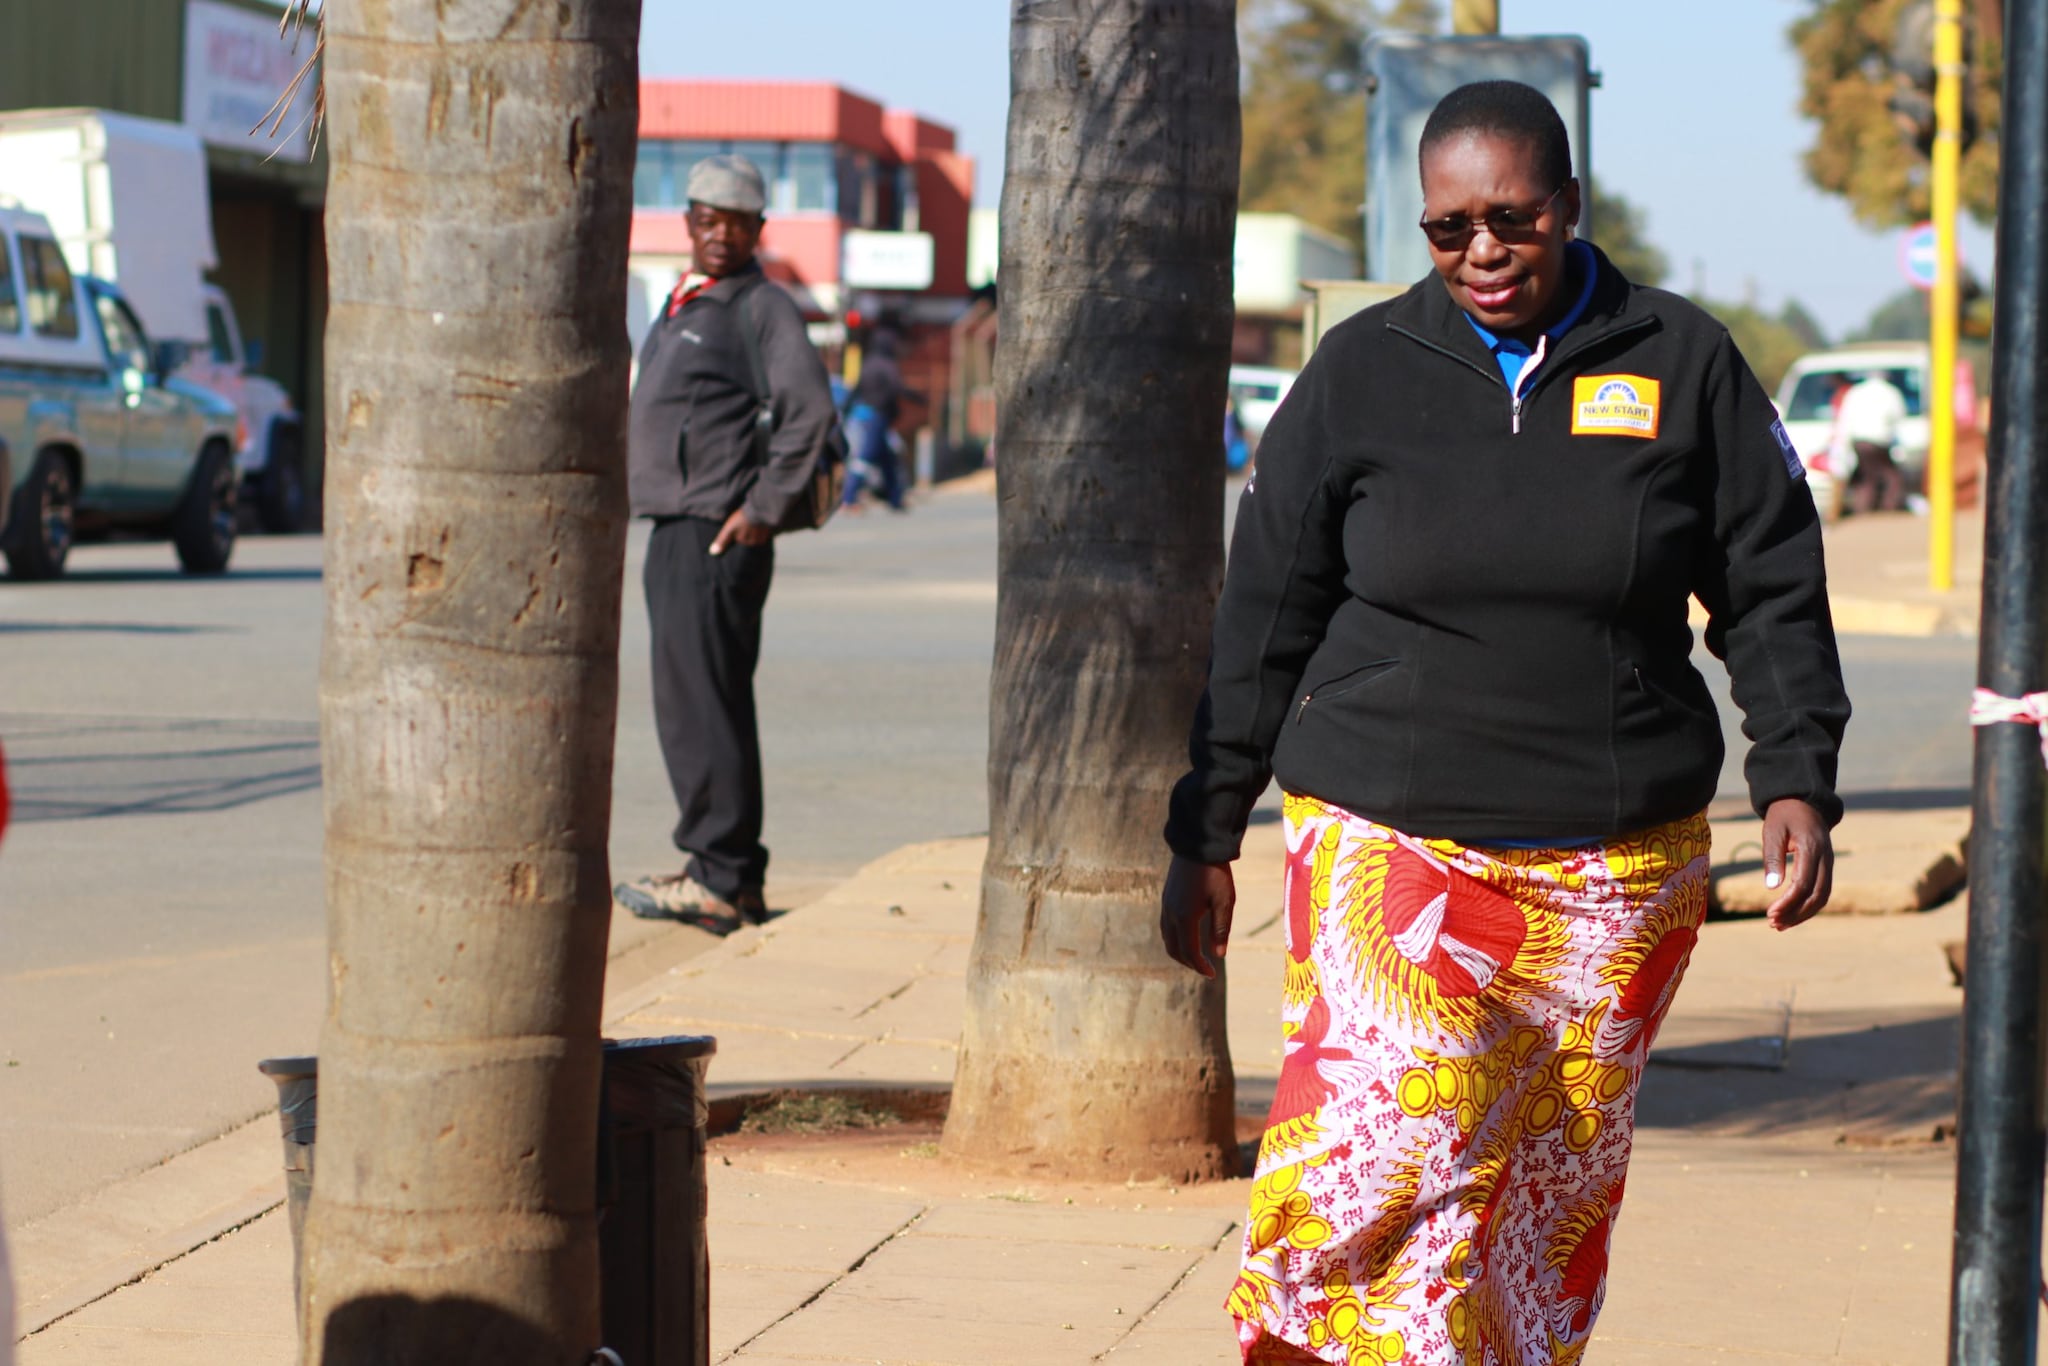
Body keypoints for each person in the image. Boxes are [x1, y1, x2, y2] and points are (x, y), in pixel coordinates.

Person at [1159, 81, 1850, 1364]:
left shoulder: (1681, 359)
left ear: (1568, 207)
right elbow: (1266, 605)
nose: (1479, 250)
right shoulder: (1362, 367)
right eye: (1447, 228)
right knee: (1382, 1142)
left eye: (1510, 220)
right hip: (1393, 839)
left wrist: (1796, 771)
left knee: (1540, 1194)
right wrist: (1206, 825)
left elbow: (1768, 582)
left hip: (1615, 865)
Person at [614, 154, 839, 934]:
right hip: (680, 524)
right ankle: (734, 875)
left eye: (737, 223)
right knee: (709, 701)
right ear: (688, 224)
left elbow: (808, 410)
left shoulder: (761, 306)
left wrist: (763, 509)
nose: (721, 234)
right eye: (708, 220)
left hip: (714, 530)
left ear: (759, 231)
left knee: (696, 705)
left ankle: (713, 874)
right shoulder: (685, 302)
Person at [840, 326, 920, 511]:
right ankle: (849, 497)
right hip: (876, 416)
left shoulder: (868, 363)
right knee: (865, 457)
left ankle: (895, 498)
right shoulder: (887, 365)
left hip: (866, 414)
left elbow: (856, 388)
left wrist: (845, 408)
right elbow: (896, 388)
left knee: (887, 459)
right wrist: (918, 398)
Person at [1836, 369, 1911, 514]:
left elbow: (1845, 419)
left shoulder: (1856, 392)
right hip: (1879, 441)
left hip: (1858, 442)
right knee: (1891, 477)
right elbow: (1899, 418)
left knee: (1867, 478)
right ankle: (1889, 509)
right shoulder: (1891, 393)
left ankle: (1863, 510)